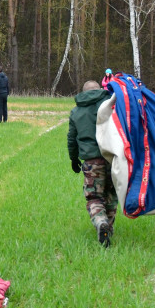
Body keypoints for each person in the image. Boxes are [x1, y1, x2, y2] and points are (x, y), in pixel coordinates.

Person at [67, 80, 117, 247]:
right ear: (99, 89)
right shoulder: (110, 105)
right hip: (112, 158)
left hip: (91, 161)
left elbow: (72, 139)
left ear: (83, 92)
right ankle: (108, 227)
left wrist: (74, 159)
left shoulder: (76, 111)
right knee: (110, 193)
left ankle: (101, 222)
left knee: (94, 196)